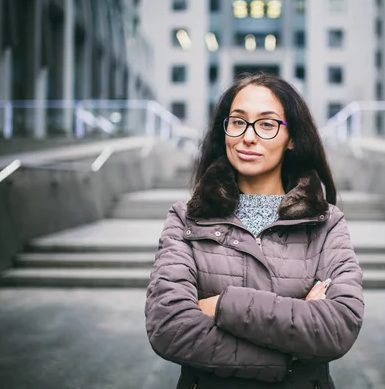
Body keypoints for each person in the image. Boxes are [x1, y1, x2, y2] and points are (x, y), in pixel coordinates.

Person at [145, 73, 365, 389]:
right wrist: (289, 355)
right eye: (238, 122)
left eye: (267, 124)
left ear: (291, 138)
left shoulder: (326, 222)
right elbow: (169, 328)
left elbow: (337, 327)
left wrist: (221, 306)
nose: (249, 137)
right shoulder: (186, 217)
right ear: (225, 131)